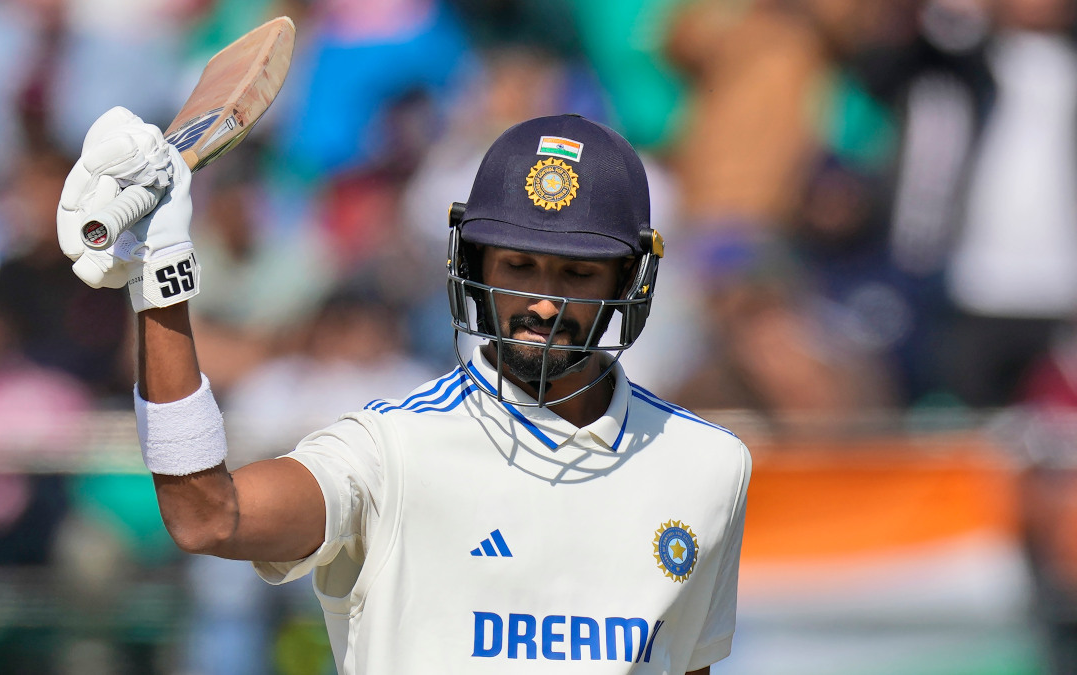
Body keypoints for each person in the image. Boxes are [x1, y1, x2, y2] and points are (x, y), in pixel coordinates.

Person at [56, 107, 751, 673]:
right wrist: (160, 285)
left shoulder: (706, 466)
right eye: (518, 266)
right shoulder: (390, 449)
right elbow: (209, 516)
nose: (541, 301)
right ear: (471, 264)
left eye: (576, 275)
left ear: (629, 283)